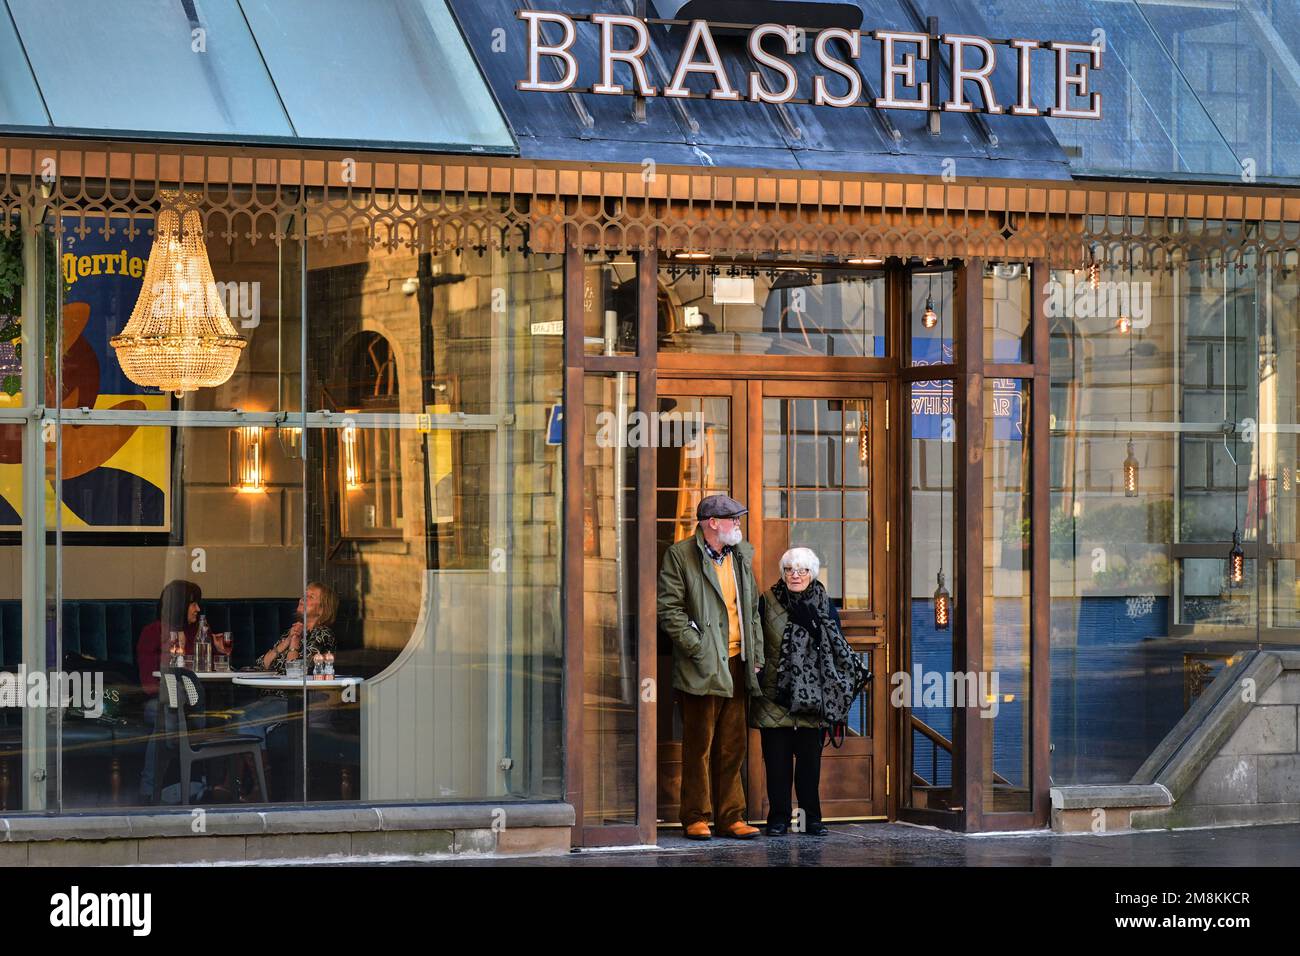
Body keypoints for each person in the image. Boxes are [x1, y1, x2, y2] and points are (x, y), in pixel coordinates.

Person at [657, 494, 764, 840]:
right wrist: (700, 648)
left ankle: (731, 816)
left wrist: (757, 655)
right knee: (699, 747)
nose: (738, 524)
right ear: (712, 523)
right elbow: (669, 612)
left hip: (737, 662)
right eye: (733, 519)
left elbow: (752, 611)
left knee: (734, 746)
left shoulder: (741, 556)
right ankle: (695, 817)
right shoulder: (680, 555)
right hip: (702, 666)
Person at [752, 547, 835, 836]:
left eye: (801, 570)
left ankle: (811, 819)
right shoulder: (767, 600)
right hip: (775, 694)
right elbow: (756, 638)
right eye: (789, 569)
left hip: (813, 697)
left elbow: (835, 647)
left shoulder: (824, 602)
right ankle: (778, 819)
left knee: (810, 766)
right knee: (777, 764)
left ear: (812, 574)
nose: (794, 575)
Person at [236, 583, 339, 751]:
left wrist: (294, 644)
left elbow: (295, 672)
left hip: (296, 700)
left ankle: (261, 775)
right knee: (234, 716)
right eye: (303, 595)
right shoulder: (290, 633)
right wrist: (286, 641)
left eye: (310, 597)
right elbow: (262, 664)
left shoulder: (323, 635)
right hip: (273, 698)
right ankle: (240, 775)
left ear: (322, 609)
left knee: (247, 718)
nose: (302, 599)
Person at [135, 579, 202, 802]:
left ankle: (149, 792)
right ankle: (193, 784)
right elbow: (147, 683)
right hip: (158, 700)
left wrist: (218, 650)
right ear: (179, 606)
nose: (198, 609)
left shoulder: (199, 633)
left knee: (166, 722)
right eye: (193, 604)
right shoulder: (153, 632)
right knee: (167, 712)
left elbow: (209, 669)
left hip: (194, 704)